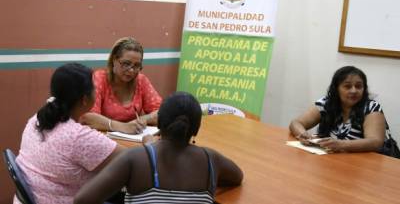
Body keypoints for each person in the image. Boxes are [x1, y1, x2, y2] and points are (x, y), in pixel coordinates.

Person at [74, 92, 243, 204]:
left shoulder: (136, 158)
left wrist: (149, 147)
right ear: (196, 129)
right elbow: (237, 177)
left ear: (159, 123)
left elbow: (82, 201)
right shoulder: (210, 159)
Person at [14, 63, 124, 204]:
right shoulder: (78, 137)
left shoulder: (37, 119)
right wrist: (147, 142)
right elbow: (130, 159)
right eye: (94, 87)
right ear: (84, 99)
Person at [289, 66, 386, 153]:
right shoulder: (325, 103)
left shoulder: (371, 107)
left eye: (358, 86)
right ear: (336, 89)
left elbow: (375, 142)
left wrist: (341, 145)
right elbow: (296, 123)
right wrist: (303, 134)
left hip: (364, 164)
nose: (354, 90)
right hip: (332, 159)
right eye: (347, 86)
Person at [80, 37, 162, 134]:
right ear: (114, 60)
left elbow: (162, 112)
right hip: (104, 139)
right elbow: (87, 117)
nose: (131, 70)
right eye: (126, 64)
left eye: (136, 66)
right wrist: (123, 127)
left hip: (133, 139)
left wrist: (144, 119)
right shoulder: (99, 79)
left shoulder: (141, 80)